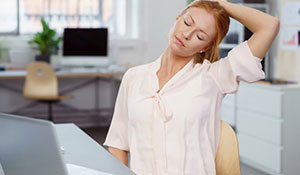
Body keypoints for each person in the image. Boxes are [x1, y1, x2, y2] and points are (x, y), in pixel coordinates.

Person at [103, 0, 280, 174]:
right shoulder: (134, 77)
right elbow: (118, 143)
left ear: (206, 47)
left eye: (200, 36)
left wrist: (219, 3)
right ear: (179, 17)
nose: (187, 34)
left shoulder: (214, 76)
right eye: (187, 22)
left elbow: (270, 25)